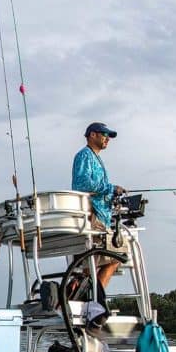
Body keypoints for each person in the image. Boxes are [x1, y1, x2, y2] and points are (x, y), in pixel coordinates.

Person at [71, 122, 127, 288]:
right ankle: (96, 300)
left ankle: (86, 298)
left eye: (108, 136)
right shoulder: (84, 155)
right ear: (92, 135)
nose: (107, 139)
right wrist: (111, 188)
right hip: (92, 216)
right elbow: (83, 184)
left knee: (91, 269)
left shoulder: (96, 158)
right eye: (104, 134)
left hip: (101, 215)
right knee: (117, 256)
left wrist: (111, 195)